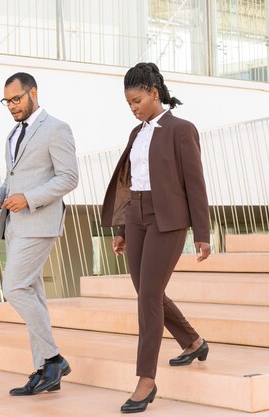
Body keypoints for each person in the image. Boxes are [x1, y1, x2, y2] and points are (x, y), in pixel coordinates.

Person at [101, 62, 211, 413]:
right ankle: (193, 341)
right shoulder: (136, 134)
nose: (133, 108)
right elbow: (130, 182)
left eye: (136, 101)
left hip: (169, 221)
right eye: (128, 104)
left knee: (148, 294)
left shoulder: (182, 129)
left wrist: (203, 233)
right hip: (136, 217)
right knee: (147, 290)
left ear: (153, 93)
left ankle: (146, 379)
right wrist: (121, 230)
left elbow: (195, 183)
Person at [0, 72, 79, 396]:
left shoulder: (56, 128)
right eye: (7, 101)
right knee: (33, 293)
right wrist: (1, 193)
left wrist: (29, 198)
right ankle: (44, 369)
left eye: (16, 99)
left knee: (14, 288)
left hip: (40, 222)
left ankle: (53, 358)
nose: (12, 106)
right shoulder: (13, 134)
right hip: (15, 224)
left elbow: (68, 178)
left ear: (33, 93)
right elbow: (17, 179)